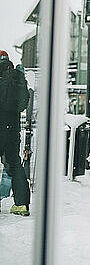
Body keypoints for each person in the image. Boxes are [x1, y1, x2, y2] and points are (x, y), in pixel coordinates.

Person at [0, 50, 31, 216]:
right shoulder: (16, 77)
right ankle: (22, 204)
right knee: (15, 163)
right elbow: (23, 103)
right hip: (12, 129)